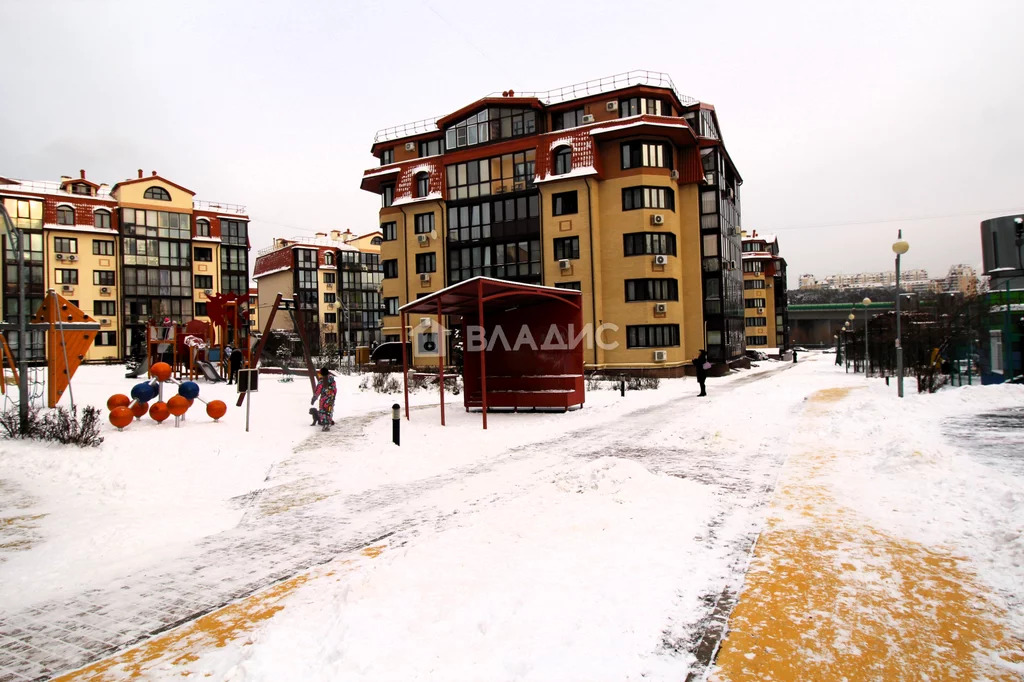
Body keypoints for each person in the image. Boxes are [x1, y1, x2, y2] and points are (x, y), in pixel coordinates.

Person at [311, 367, 337, 431]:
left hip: (324, 400)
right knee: (329, 411)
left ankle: (325, 424)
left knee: (323, 411)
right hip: (331, 399)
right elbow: (335, 390)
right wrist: (333, 397)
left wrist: (314, 398)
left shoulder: (321, 381)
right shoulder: (333, 381)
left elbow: (317, 391)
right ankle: (329, 422)